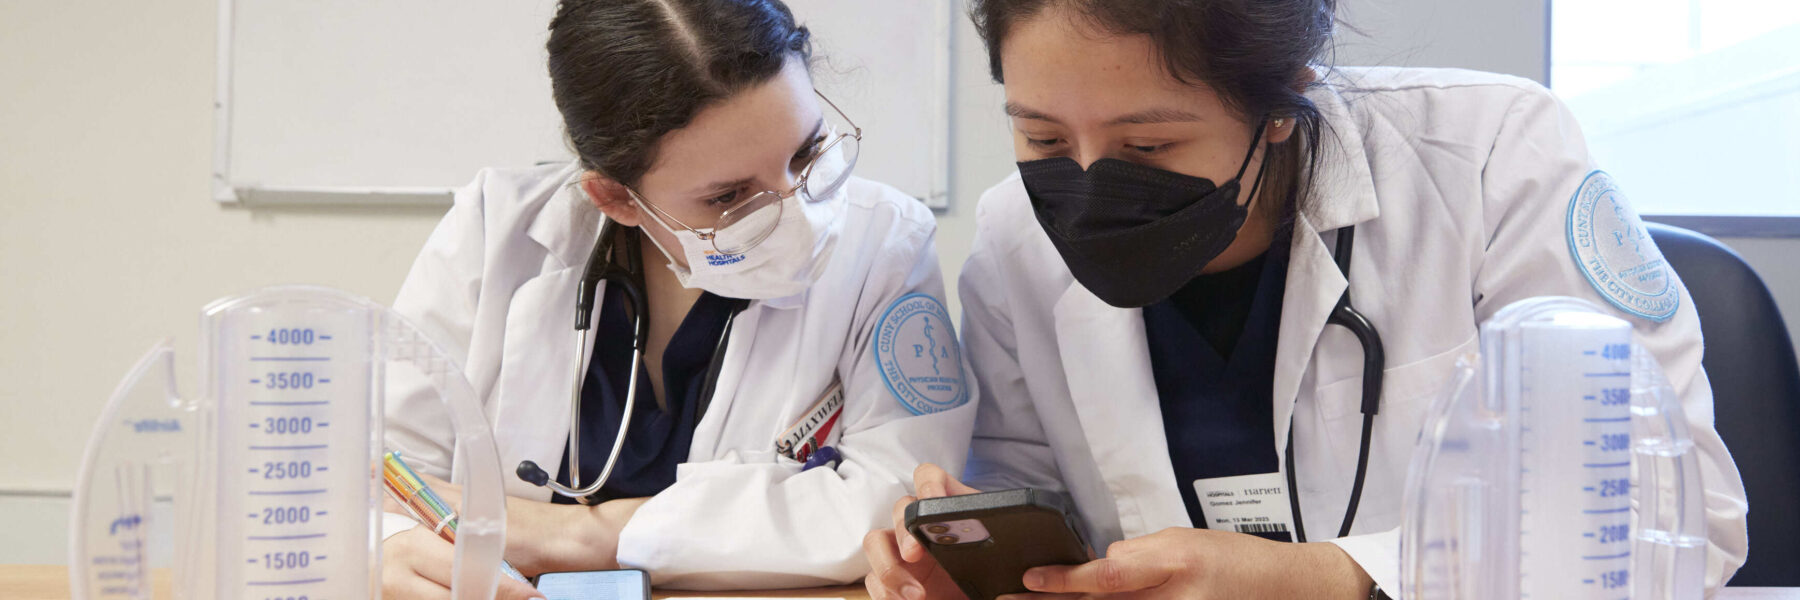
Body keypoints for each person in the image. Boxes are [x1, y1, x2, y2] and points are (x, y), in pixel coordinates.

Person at [865, 1, 1748, 598]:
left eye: (1152, 141)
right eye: (1042, 133)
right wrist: (960, 552)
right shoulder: (1016, 236)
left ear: (1284, 99)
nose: (1090, 185)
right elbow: (1022, 492)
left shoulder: (1489, 160)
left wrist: (1333, 578)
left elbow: (1672, 525)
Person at [380, 0, 977, 597]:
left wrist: (589, 534)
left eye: (807, 152)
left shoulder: (885, 244)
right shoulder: (495, 233)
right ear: (615, 198)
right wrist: (382, 546)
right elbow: (381, 475)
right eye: (729, 198)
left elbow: (899, 502)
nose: (801, 215)